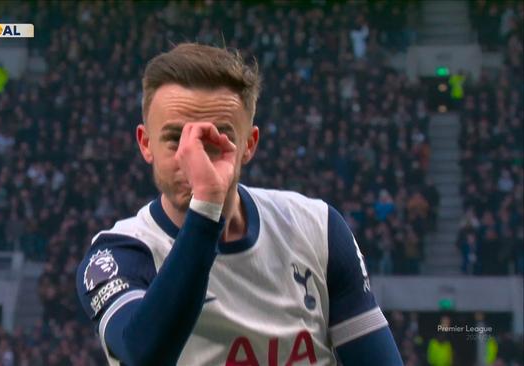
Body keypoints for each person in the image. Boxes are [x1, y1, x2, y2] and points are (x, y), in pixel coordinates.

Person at [76, 43, 402, 365]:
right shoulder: (118, 254)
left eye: (216, 139)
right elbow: (143, 355)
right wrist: (207, 204)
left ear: (249, 145)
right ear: (146, 144)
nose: (194, 157)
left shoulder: (317, 229)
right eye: (176, 138)